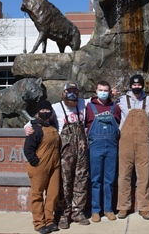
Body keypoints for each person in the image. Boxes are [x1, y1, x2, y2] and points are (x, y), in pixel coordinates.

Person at [48, 82, 92, 228]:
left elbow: (100, 99)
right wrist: (28, 128)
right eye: (69, 91)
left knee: (82, 179)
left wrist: (110, 95)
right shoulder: (56, 107)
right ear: (63, 93)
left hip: (81, 149)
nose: (72, 94)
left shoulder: (83, 104)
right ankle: (63, 214)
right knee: (64, 182)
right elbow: (36, 120)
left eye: (75, 91)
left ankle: (77, 212)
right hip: (65, 151)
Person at [116, 74, 149, 220]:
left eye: (139, 85)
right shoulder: (121, 100)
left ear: (142, 86)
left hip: (144, 141)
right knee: (124, 174)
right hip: (125, 140)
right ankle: (123, 207)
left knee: (144, 175)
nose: (136, 87)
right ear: (130, 85)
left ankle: (144, 207)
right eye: (134, 85)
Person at [84, 80, 122, 223]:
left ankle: (108, 209)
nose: (103, 92)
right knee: (95, 180)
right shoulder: (89, 106)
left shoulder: (115, 106)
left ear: (109, 91)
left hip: (111, 146)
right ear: (96, 91)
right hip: (96, 146)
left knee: (109, 179)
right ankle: (95, 210)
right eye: (101, 90)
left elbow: (118, 123)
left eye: (106, 90)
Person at [23, 99, 61, 234]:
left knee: (53, 194)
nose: (45, 112)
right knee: (37, 195)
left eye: (47, 110)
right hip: (39, 166)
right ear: (38, 112)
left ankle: (50, 221)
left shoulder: (52, 127)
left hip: (55, 165)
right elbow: (28, 149)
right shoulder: (34, 128)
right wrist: (36, 163)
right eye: (42, 110)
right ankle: (39, 223)